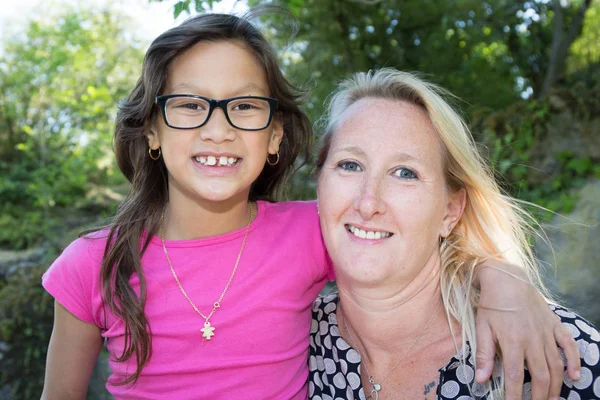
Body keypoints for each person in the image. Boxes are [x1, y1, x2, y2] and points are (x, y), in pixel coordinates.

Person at [40, 11, 580, 400]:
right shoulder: (91, 265)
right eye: (189, 105)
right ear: (153, 130)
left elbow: (417, 248)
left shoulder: (310, 232)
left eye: (244, 107)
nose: (219, 129)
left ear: (275, 136)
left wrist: (505, 281)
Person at [310, 68, 600, 400]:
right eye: (349, 165)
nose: (368, 202)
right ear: (319, 188)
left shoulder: (552, 352)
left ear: (451, 211)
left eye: (405, 173)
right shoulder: (288, 339)